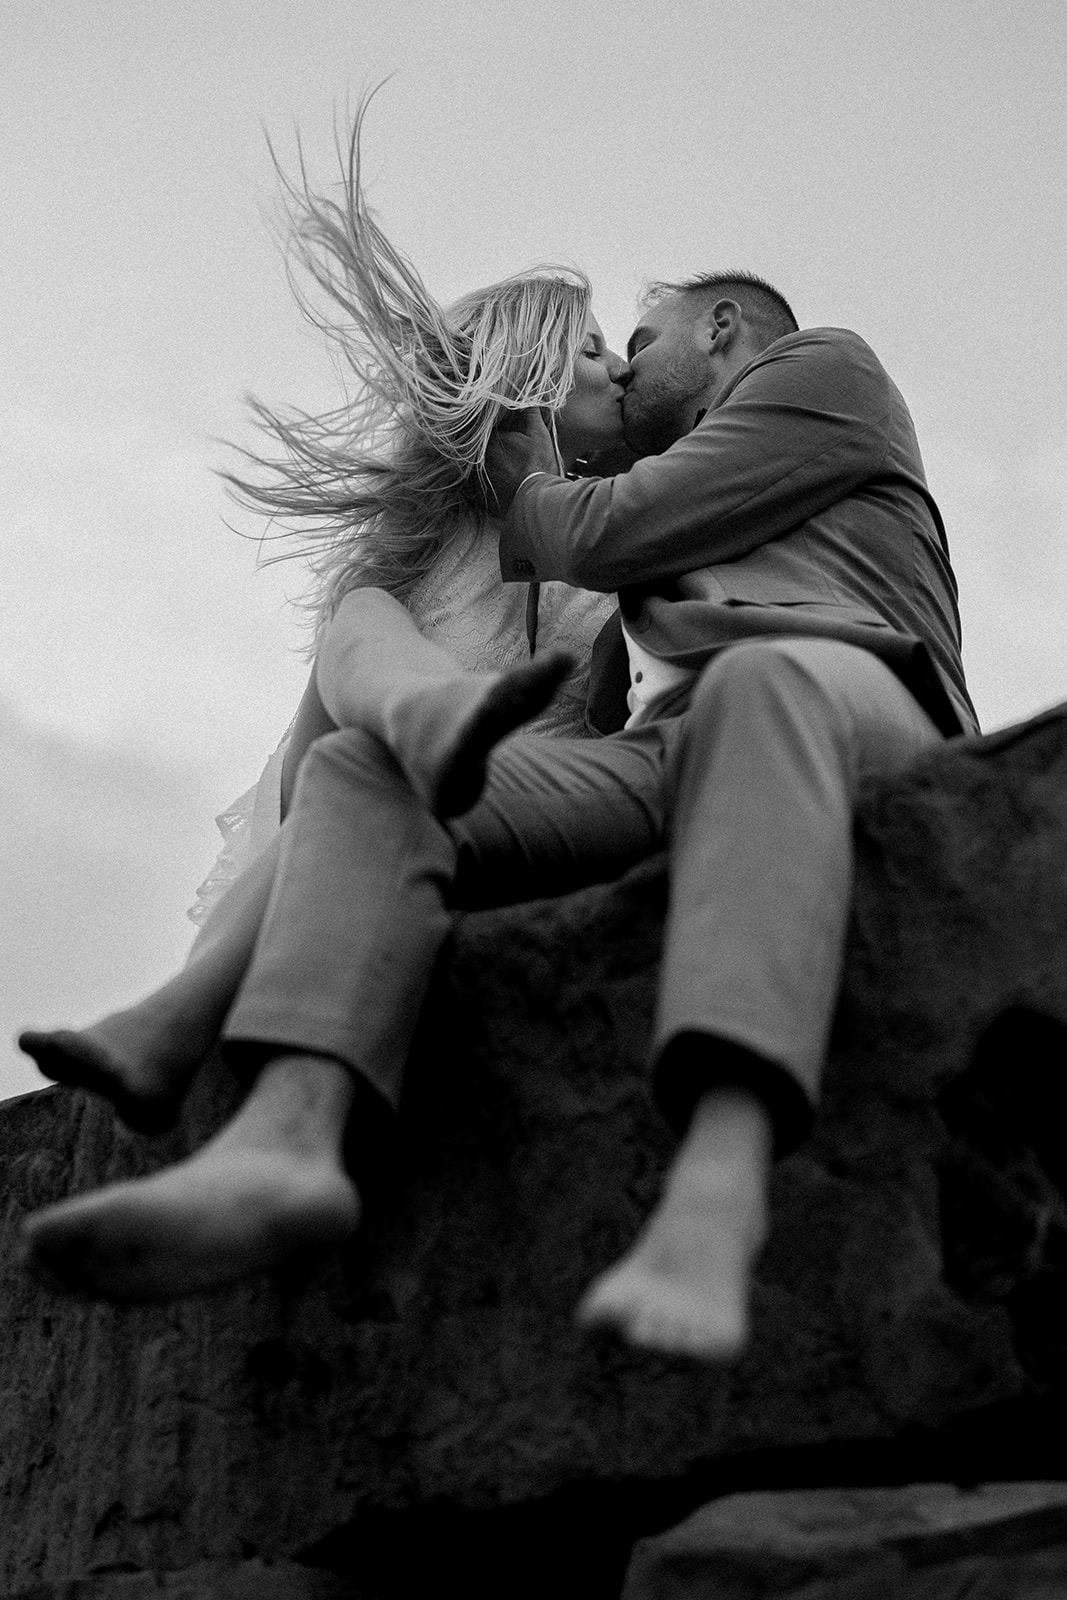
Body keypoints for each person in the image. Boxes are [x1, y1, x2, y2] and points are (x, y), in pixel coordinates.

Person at [25, 261, 977, 1365]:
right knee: (371, 770)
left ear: (720, 328)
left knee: (761, 686)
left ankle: (718, 1181)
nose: (624, 368)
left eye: (639, 339)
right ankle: (285, 1142)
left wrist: (531, 483)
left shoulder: (823, 370)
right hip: (672, 753)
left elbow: (613, 528)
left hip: (845, 699)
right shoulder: (644, 552)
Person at [17, 120, 625, 1270]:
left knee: (368, 685)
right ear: (532, 376)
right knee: (360, 625)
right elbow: (307, 778)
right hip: (354, 825)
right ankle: (425, 719)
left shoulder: (617, 545)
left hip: (496, 833)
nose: (617, 368)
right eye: (589, 349)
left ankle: (178, 1014)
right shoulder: (419, 560)